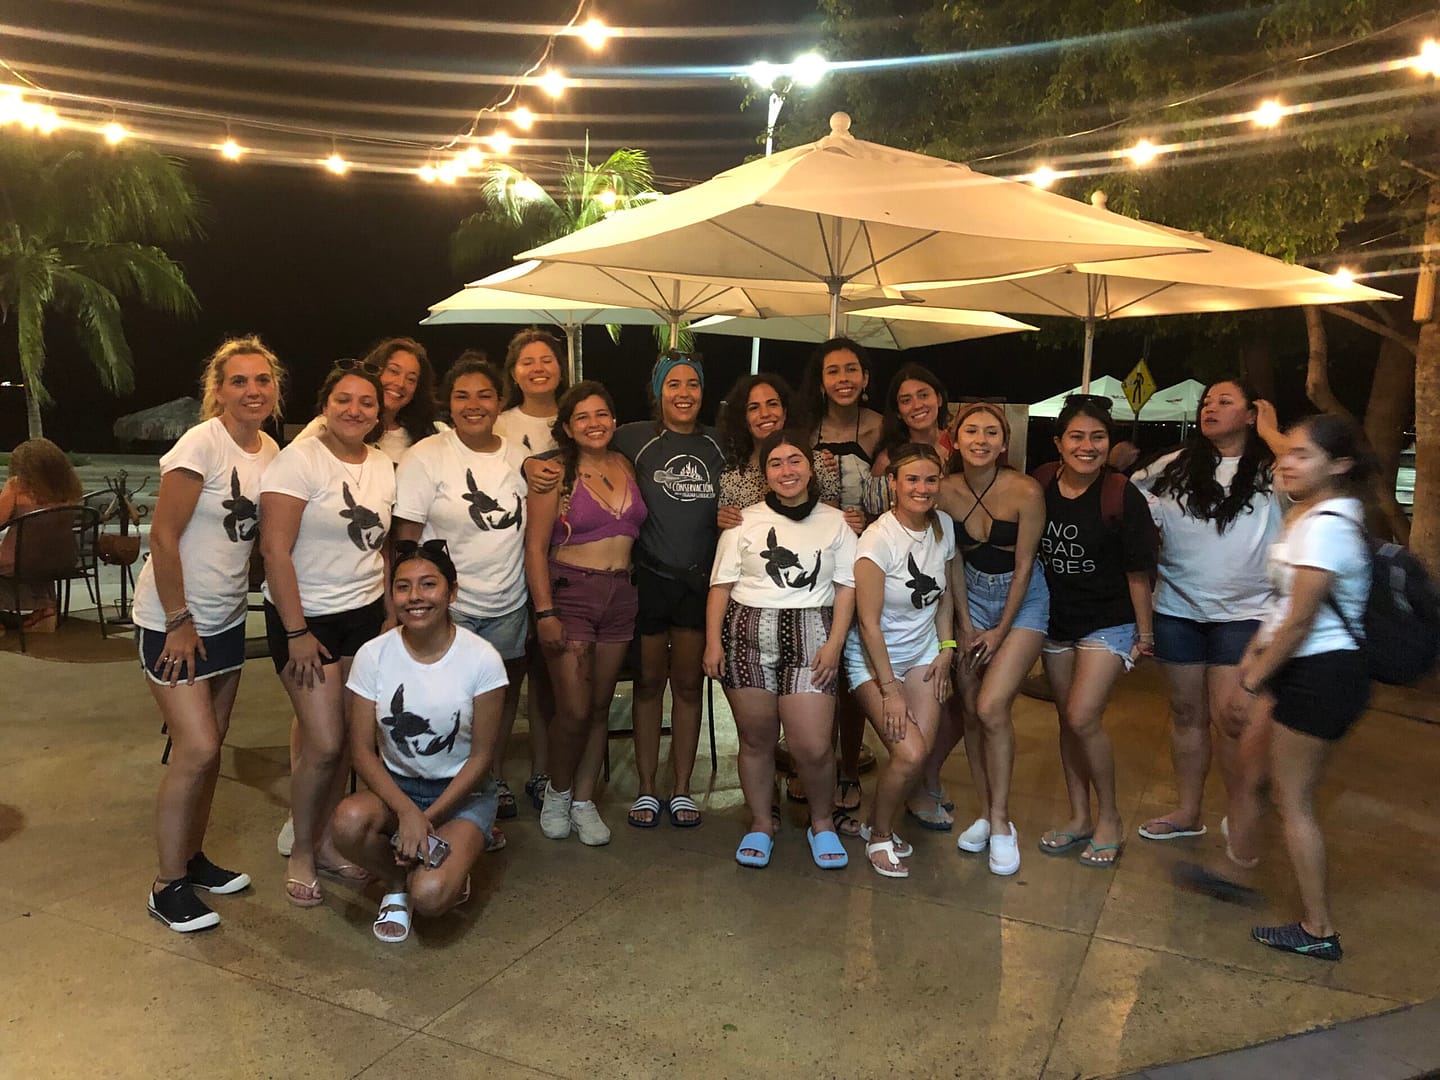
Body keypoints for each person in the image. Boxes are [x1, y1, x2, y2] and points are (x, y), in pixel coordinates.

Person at [132, 337, 283, 931]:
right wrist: (178, 620)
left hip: (225, 619)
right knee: (195, 749)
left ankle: (192, 859)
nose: (253, 390)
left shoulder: (270, 449)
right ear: (218, 391)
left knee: (212, 750)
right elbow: (163, 535)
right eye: (239, 381)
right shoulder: (202, 443)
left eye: (262, 380)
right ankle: (166, 885)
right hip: (174, 621)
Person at [1222, 415, 1371, 961]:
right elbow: (1283, 607)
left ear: (1340, 465)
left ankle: (1318, 928)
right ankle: (1236, 868)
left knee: (1294, 799)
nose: (1286, 462)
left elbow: (1302, 620)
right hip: (1300, 668)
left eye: (1303, 455)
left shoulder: (1328, 526)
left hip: (1322, 674)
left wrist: (1251, 681)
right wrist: (1252, 656)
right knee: (1254, 770)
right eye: (1286, 452)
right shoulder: (1309, 515)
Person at [261, 362, 395, 907]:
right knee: (323, 744)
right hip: (306, 618)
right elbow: (274, 550)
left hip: (363, 615)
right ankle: (301, 849)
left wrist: (389, 613)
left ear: (378, 414)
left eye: (366, 402)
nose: (354, 410)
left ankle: (327, 844)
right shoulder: (299, 461)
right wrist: (295, 630)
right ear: (325, 405)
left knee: (346, 743)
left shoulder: (383, 464)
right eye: (344, 399)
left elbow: (384, 548)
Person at [331, 539, 508, 943]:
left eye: (428, 584)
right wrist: (406, 810)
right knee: (347, 822)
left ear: (451, 592)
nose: (415, 596)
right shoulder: (373, 655)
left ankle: (439, 869)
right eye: (403, 586)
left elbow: (482, 757)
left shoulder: (482, 659)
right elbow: (362, 751)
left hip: (462, 794)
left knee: (430, 896)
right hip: (399, 788)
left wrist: (424, 820)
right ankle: (397, 883)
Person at [1130, 379, 1283, 843]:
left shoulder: (1273, 470)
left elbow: (1313, 475)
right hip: (1177, 608)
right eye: (1207, 402)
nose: (1210, 408)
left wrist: (1271, 431)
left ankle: (1240, 817)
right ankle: (1188, 811)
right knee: (1185, 714)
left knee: (1231, 721)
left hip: (1244, 614)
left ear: (1251, 414)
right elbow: (1130, 496)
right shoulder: (1174, 465)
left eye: (1225, 402)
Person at [704, 429, 858, 870]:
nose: (786, 470)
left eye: (795, 460)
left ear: (810, 468)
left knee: (813, 746)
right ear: (765, 473)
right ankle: (760, 822)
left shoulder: (836, 522)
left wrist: (835, 643)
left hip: (813, 634)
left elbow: (846, 587)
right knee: (756, 739)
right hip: (747, 635)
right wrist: (713, 642)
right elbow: (721, 585)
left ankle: (822, 822)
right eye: (776, 463)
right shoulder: (743, 521)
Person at [393, 353, 528, 823]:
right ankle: (443, 796)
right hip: (449, 609)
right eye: (462, 396)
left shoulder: (520, 458)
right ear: (447, 403)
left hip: (509, 603)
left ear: (500, 401)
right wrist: (402, 607)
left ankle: (491, 780)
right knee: (447, 705)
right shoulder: (425, 456)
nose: (474, 405)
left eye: (485, 395)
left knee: (499, 703)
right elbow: (405, 541)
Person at [918, 402, 1048, 875]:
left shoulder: (1026, 490)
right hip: (969, 597)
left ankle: (1000, 820)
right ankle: (987, 813)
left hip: (1022, 602)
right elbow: (951, 561)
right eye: (971, 431)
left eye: (991, 432)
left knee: (993, 707)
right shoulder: (944, 490)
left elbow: (1025, 565)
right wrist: (966, 624)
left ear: (1004, 442)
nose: (981, 440)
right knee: (972, 712)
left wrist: (1000, 629)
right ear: (955, 438)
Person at [1035, 396, 1156, 868]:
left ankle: (1110, 819)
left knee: (1083, 716)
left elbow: (1138, 570)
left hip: (1110, 620)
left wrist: (1145, 634)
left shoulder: (1121, 493)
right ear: (1058, 443)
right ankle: (1080, 816)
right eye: (1077, 437)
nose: (1087, 446)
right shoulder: (1041, 483)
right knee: (1067, 722)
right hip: (1055, 619)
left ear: (1110, 443)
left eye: (1098, 437)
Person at [524, 381, 646, 847]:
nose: (594, 424)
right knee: (573, 709)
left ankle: (584, 798)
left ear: (614, 420)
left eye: (601, 414)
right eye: (583, 417)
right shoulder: (554, 473)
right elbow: (535, 548)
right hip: (570, 592)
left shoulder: (626, 464)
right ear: (568, 428)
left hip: (621, 595)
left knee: (598, 706)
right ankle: (557, 792)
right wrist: (545, 611)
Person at [613, 352, 725, 829]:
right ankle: (646, 786)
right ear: (658, 391)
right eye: (673, 384)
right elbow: (577, 442)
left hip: (699, 582)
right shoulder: (633, 437)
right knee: (648, 684)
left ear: (703, 391)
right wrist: (538, 465)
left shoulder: (721, 442)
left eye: (692, 384)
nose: (683, 393)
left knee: (688, 685)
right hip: (651, 578)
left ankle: (681, 788)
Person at [847, 444, 956, 878]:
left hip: (922, 651)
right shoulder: (878, 538)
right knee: (909, 754)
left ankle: (875, 822)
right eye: (912, 479)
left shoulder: (943, 526)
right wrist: (889, 690)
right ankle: (879, 835)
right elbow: (868, 624)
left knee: (919, 751)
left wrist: (946, 648)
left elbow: (943, 597)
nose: (922, 488)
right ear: (893, 483)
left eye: (931, 479)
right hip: (875, 659)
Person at [801, 337, 884, 816]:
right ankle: (813, 764)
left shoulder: (883, 428)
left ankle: (848, 767)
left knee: (853, 665)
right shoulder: (803, 428)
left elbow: (899, 492)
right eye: (833, 371)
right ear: (820, 381)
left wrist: (867, 520)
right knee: (812, 662)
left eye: (851, 369)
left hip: (866, 558)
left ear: (865, 377)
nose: (843, 379)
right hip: (813, 559)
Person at [495, 328, 568, 811]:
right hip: (507, 563)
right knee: (503, 679)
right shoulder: (500, 423)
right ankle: (493, 775)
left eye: (546, 359)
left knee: (548, 680)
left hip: (567, 566)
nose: (538, 368)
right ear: (514, 371)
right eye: (527, 361)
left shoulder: (578, 418)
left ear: (561, 367)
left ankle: (543, 772)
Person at [294, 337, 441, 464]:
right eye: (393, 371)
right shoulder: (328, 425)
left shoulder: (426, 433)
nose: (401, 383)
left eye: (411, 379)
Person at [0, 437, 83, 632]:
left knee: (19, 558)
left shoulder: (17, 487)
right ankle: (45, 609)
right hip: (63, 559)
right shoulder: (70, 490)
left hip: (22, 562)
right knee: (37, 556)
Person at [870, 362, 953, 479]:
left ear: (939, 399)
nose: (917, 405)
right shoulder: (887, 460)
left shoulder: (958, 444)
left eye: (923, 395)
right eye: (906, 400)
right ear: (898, 412)